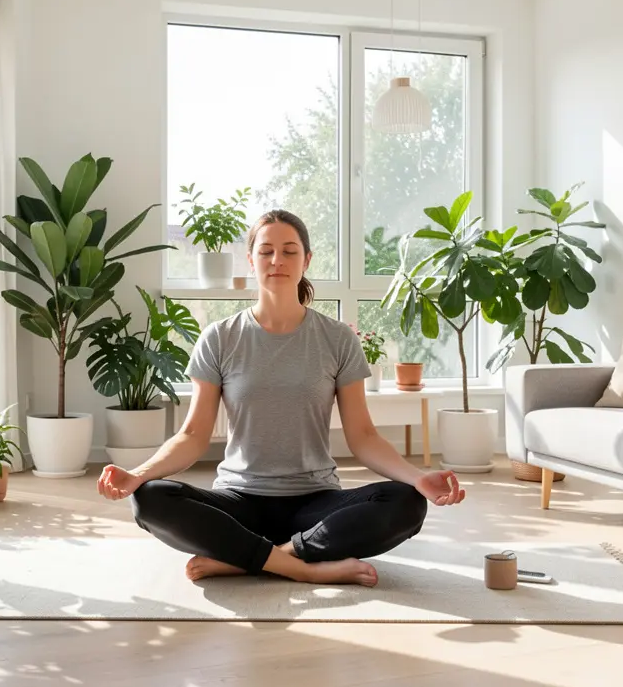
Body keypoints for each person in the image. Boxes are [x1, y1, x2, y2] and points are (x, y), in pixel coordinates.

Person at [97, 209, 465, 587]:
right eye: (266, 251)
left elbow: (363, 437)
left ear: (306, 260)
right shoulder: (220, 338)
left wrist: (418, 479)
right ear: (251, 260)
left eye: (290, 251)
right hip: (239, 500)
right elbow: (192, 436)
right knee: (150, 498)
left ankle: (252, 559)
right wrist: (137, 476)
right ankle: (302, 566)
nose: (277, 260)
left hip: (315, 502)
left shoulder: (337, 339)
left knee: (405, 503)